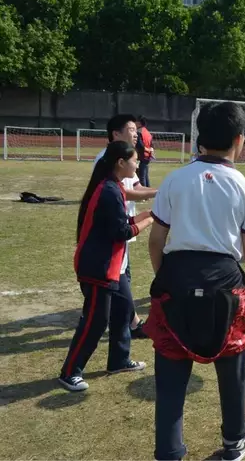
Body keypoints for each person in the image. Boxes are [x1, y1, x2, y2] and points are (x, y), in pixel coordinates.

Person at [145, 101, 245, 461]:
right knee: (232, 365)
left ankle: (169, 451)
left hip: (175, 280)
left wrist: (169, 279)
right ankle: (235, 441)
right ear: (240, 140)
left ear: (200, 138)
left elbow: (156, 241)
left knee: (171, 375)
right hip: (226, 288)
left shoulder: (174, 180)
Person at [59, 141, 153, 392]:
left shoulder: (114, 188)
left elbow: (120, 222)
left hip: (113, 265)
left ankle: (119, 360)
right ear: (121, 163)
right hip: (98, 266)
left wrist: (144, 215)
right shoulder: (109, 190)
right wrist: (149, 221)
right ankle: (70, 371)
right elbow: (121, 231)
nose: (138, 164)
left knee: (123, 310)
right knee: (95, 321)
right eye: (135, 160)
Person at [95, 114, 158, 339]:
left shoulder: (130, 157)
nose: (136, 133)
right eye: (131, 129)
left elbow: (137, 187)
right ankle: (128, 323)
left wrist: (152, 195)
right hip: (116, 230)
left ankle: (127, 322)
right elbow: (124, 191)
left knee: (123, 278)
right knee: (119, 279)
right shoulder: (105, 159)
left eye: (135, 129)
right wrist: (159, 193)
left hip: (126, 225)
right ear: (116, 134)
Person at [135, 115, 154, 187]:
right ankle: (148, 190)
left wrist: (147, 149)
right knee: (145, 175)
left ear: (139, 123)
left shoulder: (139, 132)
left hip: (143, 155)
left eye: (135, 122)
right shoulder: (147, 132)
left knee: (141, 175)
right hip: (147, 156)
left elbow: (139, 144)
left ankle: (144, 194)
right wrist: (150, 150)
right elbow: (152, 144)